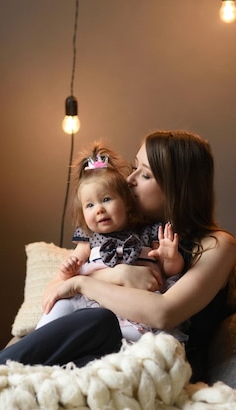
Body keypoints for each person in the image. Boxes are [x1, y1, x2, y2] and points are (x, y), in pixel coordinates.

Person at [0, 130, 236, 382]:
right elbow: (54, 293)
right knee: (52, 364)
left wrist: (82, 283)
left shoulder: (217, 245)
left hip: (156, 362)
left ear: (178, 187)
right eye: (134, 167)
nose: (129, 180)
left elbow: (163, 313)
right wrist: (117, 273)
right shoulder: (123, 231)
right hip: (100, 353)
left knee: (98, 320)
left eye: (145, 174)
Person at [35, 142, 186, 342]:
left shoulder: (149, 232)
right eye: (90, 205)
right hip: (94, 303)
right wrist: (67, 269)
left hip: (134, 308)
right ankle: (39, 342)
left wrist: (171, 258)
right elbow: (65, 279)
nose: (99, 209)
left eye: (106, 199)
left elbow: (169, 273)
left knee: (139, 338)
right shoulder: (89, 239)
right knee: (60, 306)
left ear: (127, 203)